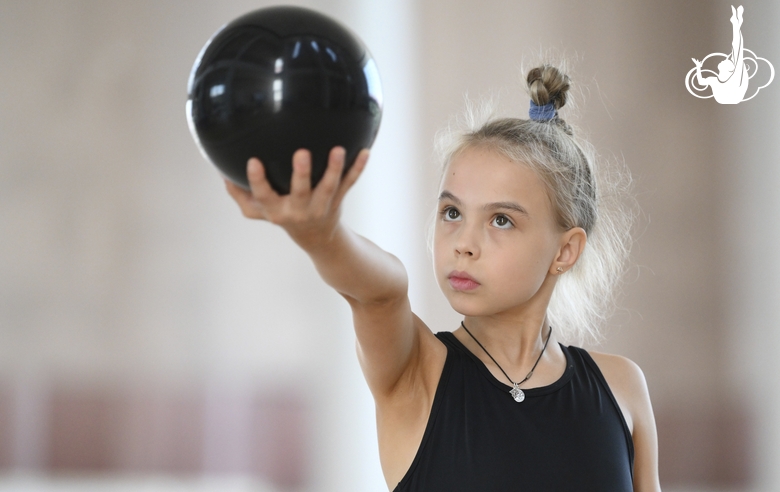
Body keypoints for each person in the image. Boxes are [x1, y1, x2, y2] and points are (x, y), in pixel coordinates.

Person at [225, 64, 661, 491]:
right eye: (452, 213)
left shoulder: (621, 388)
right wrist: (322, 234)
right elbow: (380, 294)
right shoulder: (416, 373)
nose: (463, 243)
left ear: (565, 251)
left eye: (501, 220)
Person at [692, 5, 748, 104]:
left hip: (731, 97)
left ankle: (736, 23)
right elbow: (701, 82)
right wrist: (698, 67)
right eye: (728, 60)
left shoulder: (732, 78)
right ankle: (736, 23)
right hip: (729, 98)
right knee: (737, 51)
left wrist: (698, 67)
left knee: (737, 50)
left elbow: (737, 49)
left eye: (727, 61)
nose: (724, 59)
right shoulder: (715, 80)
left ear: (729, 69)